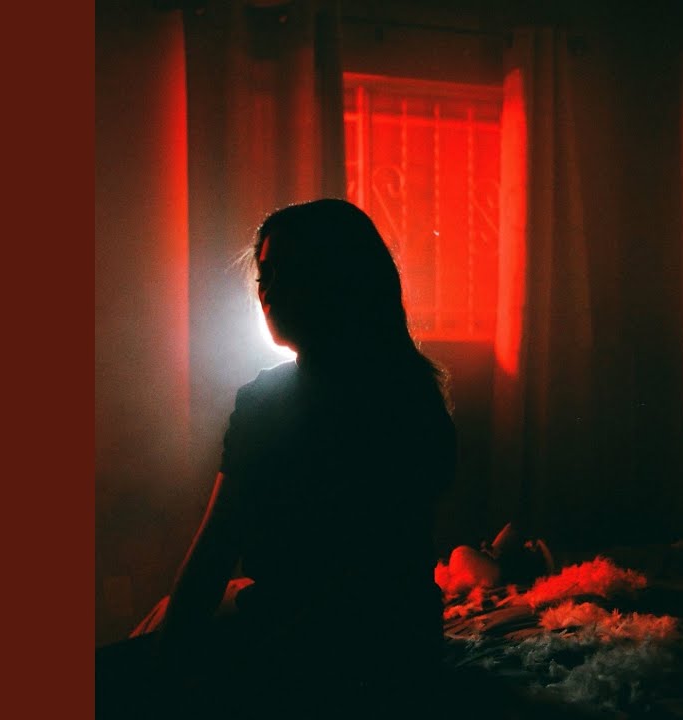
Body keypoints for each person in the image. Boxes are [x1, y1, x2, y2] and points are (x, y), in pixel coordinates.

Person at [97, 199, 456, 719]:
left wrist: (166, 668)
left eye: (290, 272)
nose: (268, 290)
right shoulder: (414, 391)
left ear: (340, 281)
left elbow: (214, 553)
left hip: (303, 650)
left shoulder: (271, 401)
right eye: (264, 275)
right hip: (406, 645)